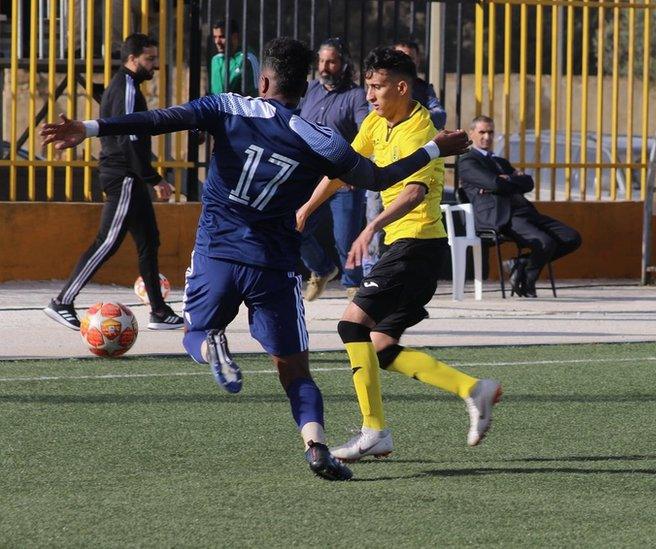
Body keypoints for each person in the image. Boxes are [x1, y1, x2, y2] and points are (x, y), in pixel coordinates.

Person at [40, 37, 471, 481]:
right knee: (295, 371)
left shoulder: (227, 106)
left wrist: (90, 128)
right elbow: (377, 176)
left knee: (196, 332)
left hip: (218, 254)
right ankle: (317, 447)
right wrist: (436, 149)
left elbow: (158, 119)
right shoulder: (318, 137)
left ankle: (212, 347)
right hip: (276, 267)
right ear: (304, 91)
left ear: (263, 79)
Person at [313, 47, 501, 462]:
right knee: (378, 346)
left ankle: (373, 431)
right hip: (410, 250)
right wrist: (305, 209)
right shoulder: (376, 124)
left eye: (377, 87)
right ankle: (472, 388)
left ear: (402, 87)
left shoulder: (422, 132)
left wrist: (370, 226)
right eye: (367, 87)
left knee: (350, 326)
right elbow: (346, 168)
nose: (369, 97)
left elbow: (414, 193)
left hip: (416, 245)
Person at [43, 34, 183, 332]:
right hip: (124, 176)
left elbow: (135, 138)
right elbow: (129, 139)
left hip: (130, 174)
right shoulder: (127, 88)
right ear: (132, 59)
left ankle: (158, 310)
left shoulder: (126, 87)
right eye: (149, 59)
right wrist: (153, 177)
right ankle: (62, 301)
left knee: (148, 241)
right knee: (108, 241)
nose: (154, 66)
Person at [458, 115, 582, 297]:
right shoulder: (468, 161)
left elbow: (528, 183)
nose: (487, 137)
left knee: (571, 237)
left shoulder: (499, 161)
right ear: (472, 134)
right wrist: (510, 180)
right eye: (482, 132)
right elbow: (495, 184)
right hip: (501, 216)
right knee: (544, 242)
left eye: (490, 132)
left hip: (525, 211)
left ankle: (520, 264)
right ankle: (527, 282)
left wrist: (507, 179)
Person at [295, 38, 371, 301]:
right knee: (297, 225)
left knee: (345, 238)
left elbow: (365, 132)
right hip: (309, 176)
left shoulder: (356, 96)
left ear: (343, 64)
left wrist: (353, 167)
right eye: (321, 61)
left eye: (331, 61)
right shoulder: (311, 90)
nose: (325, 67)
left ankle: (353, 287)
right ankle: (322, 269)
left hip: (342, 178)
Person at [392, 38, 447, 130]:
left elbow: (440, 116)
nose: (405, 62)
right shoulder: (382, 85)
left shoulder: (424, 88)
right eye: (401, 58)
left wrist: (414, 115)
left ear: (417, 61)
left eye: (410, 58)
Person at [210, 19, 260, 96]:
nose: (217, 41)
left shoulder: (248, 58)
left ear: (235, 36)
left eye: (222, 37)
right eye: (215, 37)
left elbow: (256, 94)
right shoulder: (215, 60)